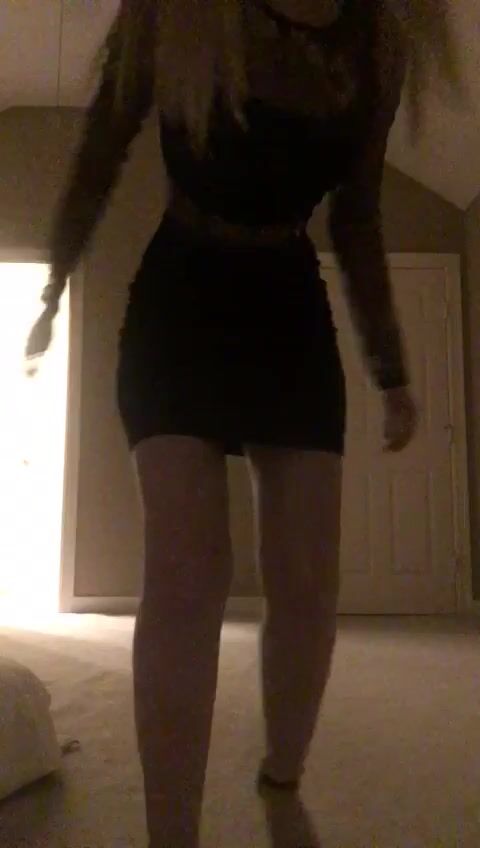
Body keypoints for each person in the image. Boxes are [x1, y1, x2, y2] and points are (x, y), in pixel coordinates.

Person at [25, 1, 465, 845]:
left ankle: (282, 776)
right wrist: (51, 289)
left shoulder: (378, 40)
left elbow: (358, 214)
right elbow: (101, 148)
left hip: (288, 305)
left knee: (308, 580)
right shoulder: (175, 11)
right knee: (188, 572)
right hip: (181, 296)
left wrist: (392, 370)